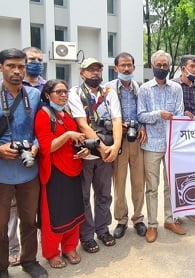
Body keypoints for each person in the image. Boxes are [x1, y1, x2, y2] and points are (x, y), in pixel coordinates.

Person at [0, 48, 47, 278]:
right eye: (11, 66)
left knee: (30, 220)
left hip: (28, 170)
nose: (17, 71)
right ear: (0, 67)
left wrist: (36, 145)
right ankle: (0, 268)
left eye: (21, 66)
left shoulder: (34, 95)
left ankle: (29, 260)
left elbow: (42, 127)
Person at [68, 58, 122, 253]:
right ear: (82, 73)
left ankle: (102, 229)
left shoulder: (109, 93)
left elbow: (117, 120)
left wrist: (115, 146)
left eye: (98, 70)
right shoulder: (74, 93)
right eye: (90, 70)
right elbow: (82, 124)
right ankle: (87, 235)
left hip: (107, 152)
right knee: (83, 196)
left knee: (104, 194)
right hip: (86, 153)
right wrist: (102, 149)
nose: (95, 73)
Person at [34, 79, 88, 269]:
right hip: (55, 171)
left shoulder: (66, 114)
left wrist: (84, 150)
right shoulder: (43, 115)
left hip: (73, 167)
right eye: (59, 92)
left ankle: (69, 247)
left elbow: (76, 140)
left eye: (65, 91)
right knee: (54, 215)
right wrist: (66, 136)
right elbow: (45, 147)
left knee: (73, 210)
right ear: (48, 95)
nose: (63, 95)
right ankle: (51, 252)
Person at [137, 50, 186, 242]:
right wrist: (158, 114)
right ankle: (152, 224)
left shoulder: (176, 88)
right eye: (159, 65)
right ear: (152, 66)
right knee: (152, 187)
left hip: (171, 143)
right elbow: (141, 115)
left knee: (170, 185)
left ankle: (170, 219)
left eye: (165, 65)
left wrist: (174, 117)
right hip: (151, 144)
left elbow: (180, 114)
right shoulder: (145, 89)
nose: (162, 68)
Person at [4, 46, 45, 265]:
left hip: (37, 157)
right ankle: (13, 248)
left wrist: (37, 145)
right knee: (11, 209)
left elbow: (44, 124)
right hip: (7, 160)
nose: (35, 63)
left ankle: (33, 250)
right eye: (31, 59)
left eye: (39, 59)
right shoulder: (1, 89)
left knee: (34, 208)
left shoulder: (45, 89)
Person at [108, 53, 148, 239]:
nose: (126, 69)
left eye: (129, 65)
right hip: (119, 140)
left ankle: (138, 218)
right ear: (115, 68)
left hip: (137, 140)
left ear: (134, 67)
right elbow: (101, 114)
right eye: (122, 66)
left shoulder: (139, 88)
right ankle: (121, 220)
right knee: (120, 183)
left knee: (138, 182)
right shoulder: (108, 89)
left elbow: (144, 112)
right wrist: (116, 125)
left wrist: (143, 127)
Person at [172, 55, 195, 223]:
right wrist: (181, 114)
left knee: (193, 173)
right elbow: (169, 108)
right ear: (183, 68)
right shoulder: (174, 85)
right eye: (192, 66)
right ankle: (175, 213)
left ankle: (192, 208)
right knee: (177, 173)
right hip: (177, 136)